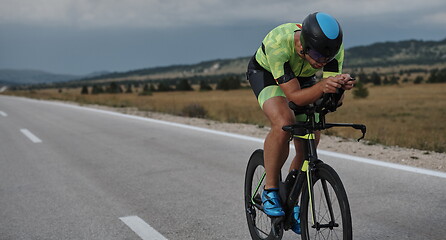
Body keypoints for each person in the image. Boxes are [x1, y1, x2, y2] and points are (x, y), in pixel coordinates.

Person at [246, 12, 355, 232]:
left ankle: (292, 196)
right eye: (316, 55)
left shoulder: (330, 50)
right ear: (304, 44)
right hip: (266, 73)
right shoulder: (279, 43)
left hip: (303, 77)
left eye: (327, 58)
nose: (321, 62)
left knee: (310, 136)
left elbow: (331, 97)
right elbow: (294, 97)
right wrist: (323, 86)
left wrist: (339, 88)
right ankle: (271, 190)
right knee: (284, 122)